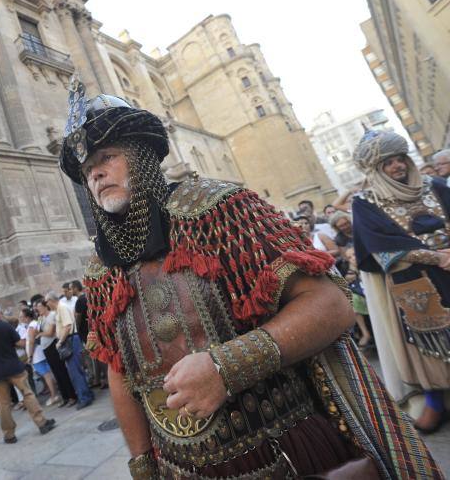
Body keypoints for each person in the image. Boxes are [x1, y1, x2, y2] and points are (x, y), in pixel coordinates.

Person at [58, 84, 440, 478]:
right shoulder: (100, 272)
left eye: (107, 157)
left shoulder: (220, 209)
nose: (97, 174)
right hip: (179, 467)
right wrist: (143, 466)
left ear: (140, 155)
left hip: (282, 445)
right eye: (88, 171)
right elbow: (119, 372)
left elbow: (331, 304)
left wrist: (226, 367)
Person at [351, 130, 450, 434]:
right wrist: (438, 257)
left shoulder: (434, 186)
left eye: (400, 159)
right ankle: (435, 401)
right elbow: (379, 249)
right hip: (413, 280)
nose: (397, 166)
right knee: (426, 342)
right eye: (388, 163)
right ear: (376, 170)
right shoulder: (365, 202)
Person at [0, 303, 56, 444]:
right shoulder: (5, 326)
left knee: (3, 404)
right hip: (13, 367)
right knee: (27, 394)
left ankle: (9, 434)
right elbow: (19, 343)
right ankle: (42, 423)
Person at [46, 291, 94, 410]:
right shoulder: (60, 308)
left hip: (70, 340)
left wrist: (60, 341)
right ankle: (87, 394)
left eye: (47, 301)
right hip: (70, 340)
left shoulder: (61, 308)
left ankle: (84, 397)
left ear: (51, 300)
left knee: (75, 371)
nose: (46, 304)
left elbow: (68, 326)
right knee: (76, 370)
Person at [34, 297, 77, 407]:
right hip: (45, 348)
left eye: (39, 307)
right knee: (56, 373)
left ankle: (72, 396)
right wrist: (40, 333)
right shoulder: (40, 319)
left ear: (44, 306)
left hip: (53, 345)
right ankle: (65, 397)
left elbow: (50, 332)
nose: (37, 309)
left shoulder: (52, 315)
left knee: (61, 371)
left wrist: (40, 334)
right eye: (36, 308)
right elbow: (37, 331)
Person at [26, 306, 60, 406]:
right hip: (41, 353)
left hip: (37, 355)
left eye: (21, 316)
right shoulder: (36, 323)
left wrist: (30, 356)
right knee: (49, 374)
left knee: (47, 375)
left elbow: (32, 341)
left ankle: (54, 395)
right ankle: (56, 393)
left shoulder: (32, 325)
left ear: (27, 317)